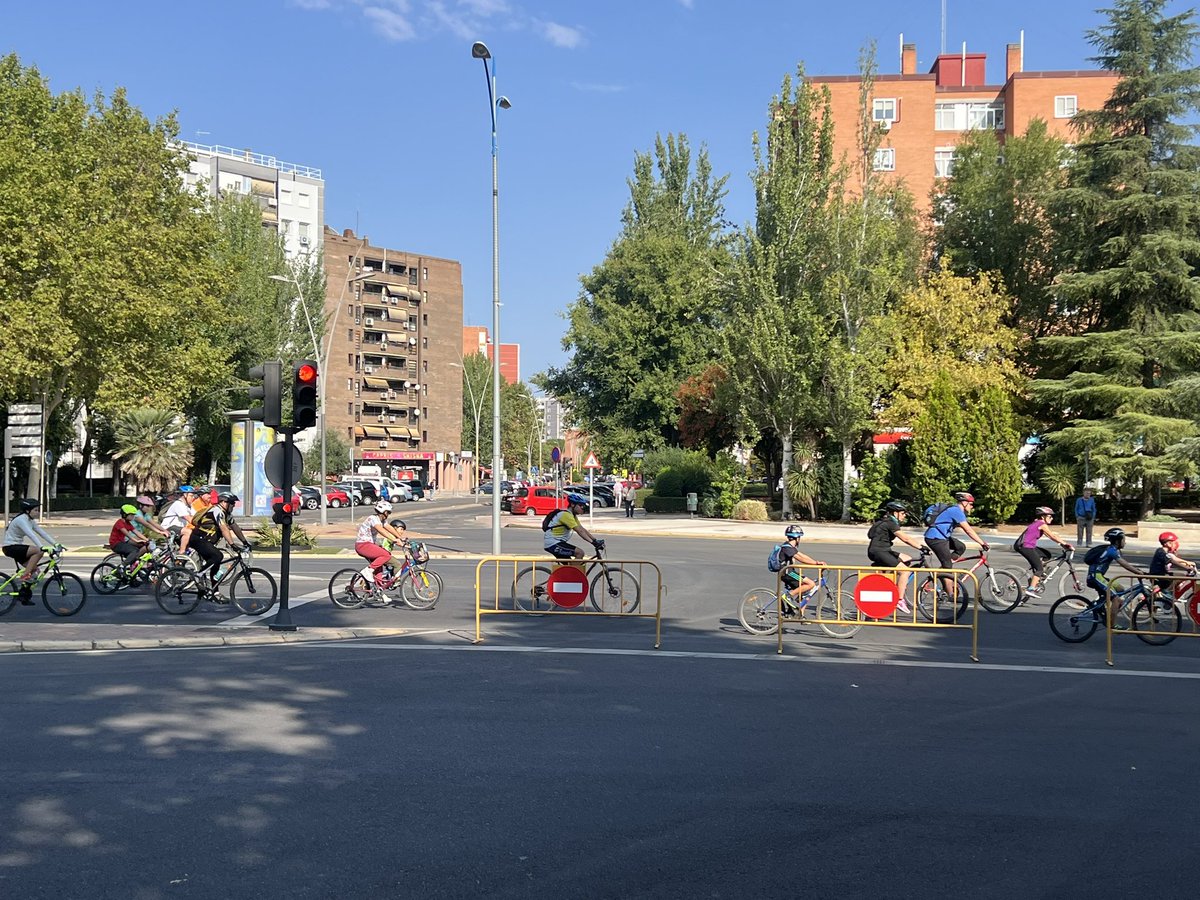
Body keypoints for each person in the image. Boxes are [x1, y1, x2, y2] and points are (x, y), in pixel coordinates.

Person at [923, 492, 989, 597]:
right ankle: (950, 594)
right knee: (947, 565)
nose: (972, 507)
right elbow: (968, 530)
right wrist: (982, 543)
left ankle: (944, 570)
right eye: (971, 504)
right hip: (935, 538)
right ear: (964, 503)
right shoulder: (956, 511)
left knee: (960, 547)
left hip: (942, 537)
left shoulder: (956, 511)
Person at [1076, 527, 1148, 622]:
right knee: (1116, 599)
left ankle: (1101, 607)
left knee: (1120, 589)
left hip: (1099, 576)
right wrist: (1138, 572)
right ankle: (1112, 625)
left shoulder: (1111, 549)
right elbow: (1124, 564)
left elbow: (1126, 563)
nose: (1125, 542)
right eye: (1123, 539)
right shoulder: (1111, 551)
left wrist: (1137, 570)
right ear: (1117, 541)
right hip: (1095, 577)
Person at [866, 500, 925, 614]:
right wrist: (921, 547)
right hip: (879, 552)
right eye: (903, 513)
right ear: (895, 513)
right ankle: (899, 600)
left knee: (907, 558)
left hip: (883, 550)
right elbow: (905, 538)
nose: (904, 515)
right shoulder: (890, 523)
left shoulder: (883, 521)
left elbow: (870, 534)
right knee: (905, 572)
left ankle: (893, 585)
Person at [182, 492, 250, 586]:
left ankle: (213, 591)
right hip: (198, 539)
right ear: (223, 502)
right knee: (218, 556)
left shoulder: (227, 514)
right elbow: (224, 529)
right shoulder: (217, 510)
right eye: (232, 503)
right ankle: (198, 575)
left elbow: (235, 528)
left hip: (206, 541)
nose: (233, 506)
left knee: (215, 563)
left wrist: (245, 542)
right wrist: (232, 545)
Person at [1015, 506, 1073, 603]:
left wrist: (1063, 545)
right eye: (1050, 516)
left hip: (1028, 546)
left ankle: (1038, 574)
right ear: (1043, 517)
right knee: (1039, 569)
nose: (1052, 518)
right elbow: (1052, 536)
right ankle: (1031, 589)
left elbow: (1051, 537)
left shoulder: (1039, 523)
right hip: (1024, 546)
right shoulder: (1041, 524)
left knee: (1046, 555)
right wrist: (1066, 544)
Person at [2, 498, 61, 591]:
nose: (37, 512)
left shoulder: (30, 520)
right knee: (38, 551)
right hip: (10, 547)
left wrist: (56, 544)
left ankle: (24, 595)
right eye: (36, 510)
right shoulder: (21, 520)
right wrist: (41, 547)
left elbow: (42, 533)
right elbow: (31, 535)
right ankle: (25, 575)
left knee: (34, 571)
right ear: (27, 511)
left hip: (18, 548)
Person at [775, 525, 826, 618]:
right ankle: (788, 596)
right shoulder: (787, 548)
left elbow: (803, 555)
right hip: (788, 573)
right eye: (799, 537)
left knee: (805, 591)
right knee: (811, 584)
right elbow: (801, 558)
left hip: (789, 573)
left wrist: (816, 562)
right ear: (797, 538)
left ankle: (800, 615)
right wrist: (816, 563)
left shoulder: (790, 547)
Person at [354, 501, 409, 587]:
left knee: (379, 569)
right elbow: (381, 530)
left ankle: (379, 591)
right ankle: (368, 570)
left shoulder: (382, 520)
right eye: (388, 512)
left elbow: (389, 528)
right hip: (363, 545)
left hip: (369, 545)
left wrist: (400, 537)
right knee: (386, 555)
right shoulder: (373, 519)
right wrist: (394, 540)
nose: (389, 514)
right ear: (384, 511)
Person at [544, 494, 605, 560]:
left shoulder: (572, 515)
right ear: (572, 505)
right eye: (581, 506)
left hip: (558, 543)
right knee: (580, 553)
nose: (582, 508)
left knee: (569, 566)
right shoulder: (565, 515)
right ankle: (573, 571)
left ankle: (571, 570)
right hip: (553, 544)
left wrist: (595, 540)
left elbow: (582, 529)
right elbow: (579, 531)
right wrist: (593, 543)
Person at [1148, 531, 1197, 595]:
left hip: (1162, 574)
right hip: (1157, 575)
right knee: (1181, 576)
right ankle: (1166, 593)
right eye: (1173, 542)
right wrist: (1187, 568)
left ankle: (1166, 591)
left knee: (1178, 576)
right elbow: (1172, 561)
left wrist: (1186, 564)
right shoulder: (1160, 551)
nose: (1175, 544)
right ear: (1167, 544)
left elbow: (1174, 560)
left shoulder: (1165, 552)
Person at [108, 504, 151, 573]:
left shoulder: (128, 523)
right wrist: (137, 540)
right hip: (116, 544)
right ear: (125, 515)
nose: (133, 517)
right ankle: (122, 566)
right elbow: (127, 534)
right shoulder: (119, 523)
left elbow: (136, 532)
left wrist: (146, 539)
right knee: (134, 550)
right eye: (131, 515)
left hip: (122, 543)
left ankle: (133, 570)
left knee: (140, 550)